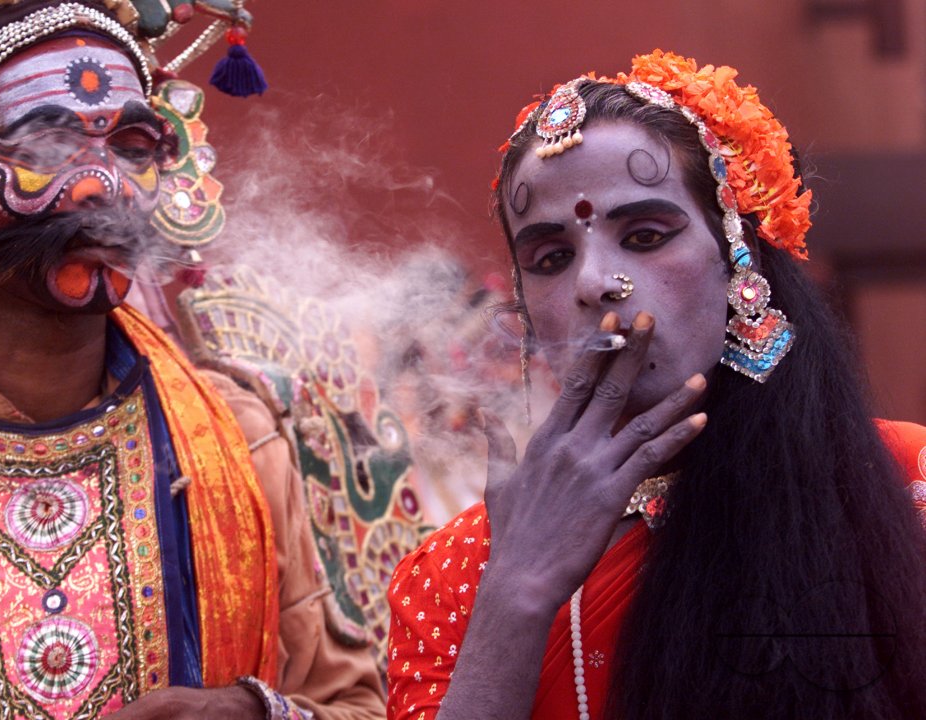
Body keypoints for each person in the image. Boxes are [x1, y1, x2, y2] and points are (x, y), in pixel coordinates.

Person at [0, 0, 384, 717]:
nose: (105, 184)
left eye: (131, 145)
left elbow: (355, 705)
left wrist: (251, 713)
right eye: (44, 142)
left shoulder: (237, 437)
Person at [386, 50, 926, 720]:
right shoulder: (457, 571)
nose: (593, 283)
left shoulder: (911, 487)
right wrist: (516, 595)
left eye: (644, 235)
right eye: (551, 257)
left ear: (741, 263)